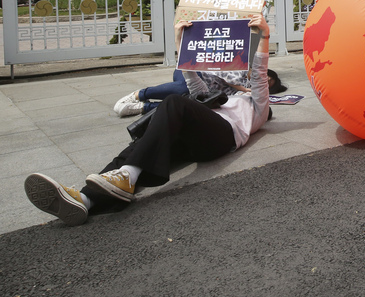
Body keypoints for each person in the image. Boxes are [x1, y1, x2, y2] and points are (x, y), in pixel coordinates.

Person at [24, 15, 273, 226]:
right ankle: (84, 200)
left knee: (175, 101)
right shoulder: (218, 96)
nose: (245, 79)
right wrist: (182, 41)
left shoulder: (258, 106)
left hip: (223, 137)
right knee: (141, 144)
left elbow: (260, 76)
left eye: (250, 78)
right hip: (195, 136)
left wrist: (263, 36)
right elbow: (194, 86)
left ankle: (125, 177)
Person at [113, 65, 287, 117]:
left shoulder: (250, 87)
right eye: (268, 78)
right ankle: (138, 95)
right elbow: (222, 71)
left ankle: (146, 108)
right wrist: (241, 87)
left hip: (204, 92)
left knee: (195, 104)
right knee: (184, 88)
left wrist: (246, 94)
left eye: (268, 85)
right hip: (193, 73)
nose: (265, 81)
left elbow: (235, 98)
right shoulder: (242, 66)